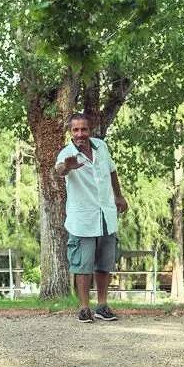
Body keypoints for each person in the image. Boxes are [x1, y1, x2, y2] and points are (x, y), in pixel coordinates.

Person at [55, 113, 128, 323]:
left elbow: (112, 171)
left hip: (106, 215)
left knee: (105, 264)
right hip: (83, 220)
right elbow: (59, 170)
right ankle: (84, 308)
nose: (80, 134)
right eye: (76, 130)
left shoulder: (101, 146)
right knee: (83, 266)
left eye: (83, 129)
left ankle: (102, 306)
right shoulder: (67, 154)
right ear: (71, 132)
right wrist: (67, 167)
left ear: (90, 129)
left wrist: (119, 195)